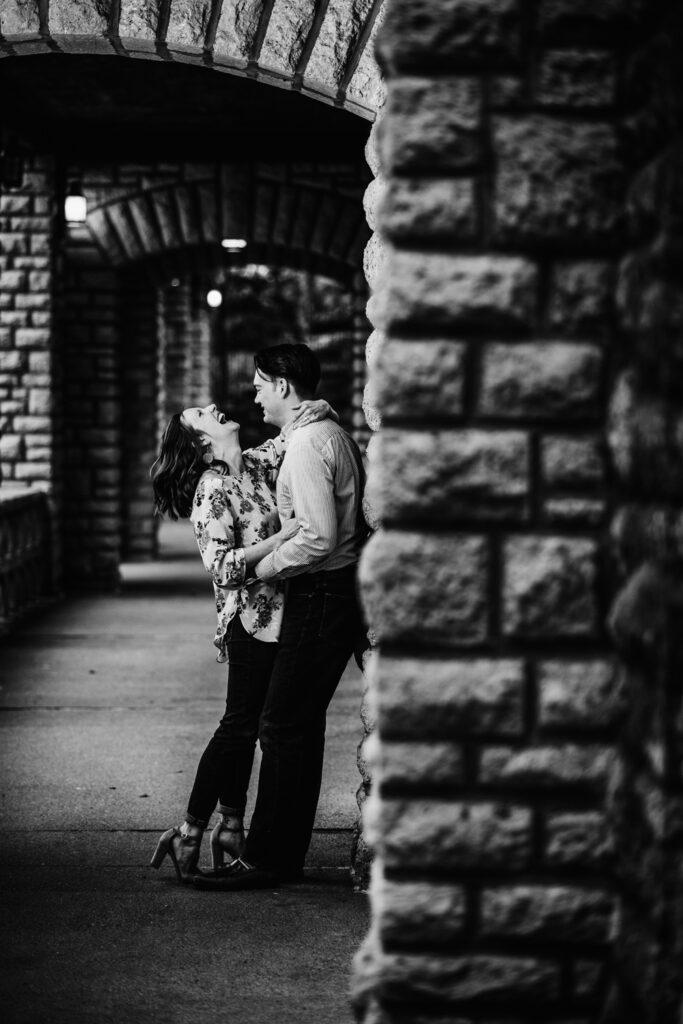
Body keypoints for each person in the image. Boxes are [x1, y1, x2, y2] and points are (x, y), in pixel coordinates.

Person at [194, 343, 367, 891]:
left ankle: (270, 859)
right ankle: (282, 854)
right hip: (331, 591)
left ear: (285, 386)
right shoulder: (319, 435)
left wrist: (264, 566)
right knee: (295, 725)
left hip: (320, 593)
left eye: (261, 384)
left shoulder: (309, 444)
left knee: (282, 725)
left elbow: (317, 536)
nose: (254, 393)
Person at [148, 396, 335, 883]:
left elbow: (292, 435)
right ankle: (189, 829)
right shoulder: (211, 491)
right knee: (238, 727)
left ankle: (230, 824)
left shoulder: (255, 463)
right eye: (202, 415)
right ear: (201, 443)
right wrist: (280, 540)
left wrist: (305, 397)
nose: (213, 406)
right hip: (249, 622)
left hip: (280, 617)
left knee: (251, 726)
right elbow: (222, 568)